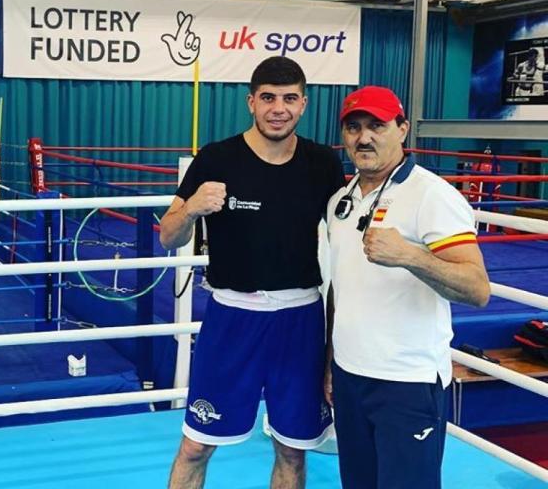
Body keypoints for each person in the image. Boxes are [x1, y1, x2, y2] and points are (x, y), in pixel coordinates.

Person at [161, 56, 345, 489]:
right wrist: (192, 208)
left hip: (300, 320)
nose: (278, 108)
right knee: (195, 445)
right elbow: (168, 235)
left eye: (289, 98)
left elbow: (347, 246)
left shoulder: (322, 163)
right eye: (268, 98)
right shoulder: (216, 158)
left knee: (293, 448)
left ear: (303, 104)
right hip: (232, 317)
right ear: (251, 102)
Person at [324, 86, 491, 489]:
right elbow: (338, 288)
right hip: (349, 376)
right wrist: (330, 362)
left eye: (377, 126)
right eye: (354, 127)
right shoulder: (341, 200)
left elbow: (477, 288)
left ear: (402, 129)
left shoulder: (431, 195)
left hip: (407, 381)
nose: (364, 138)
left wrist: (411, 256)